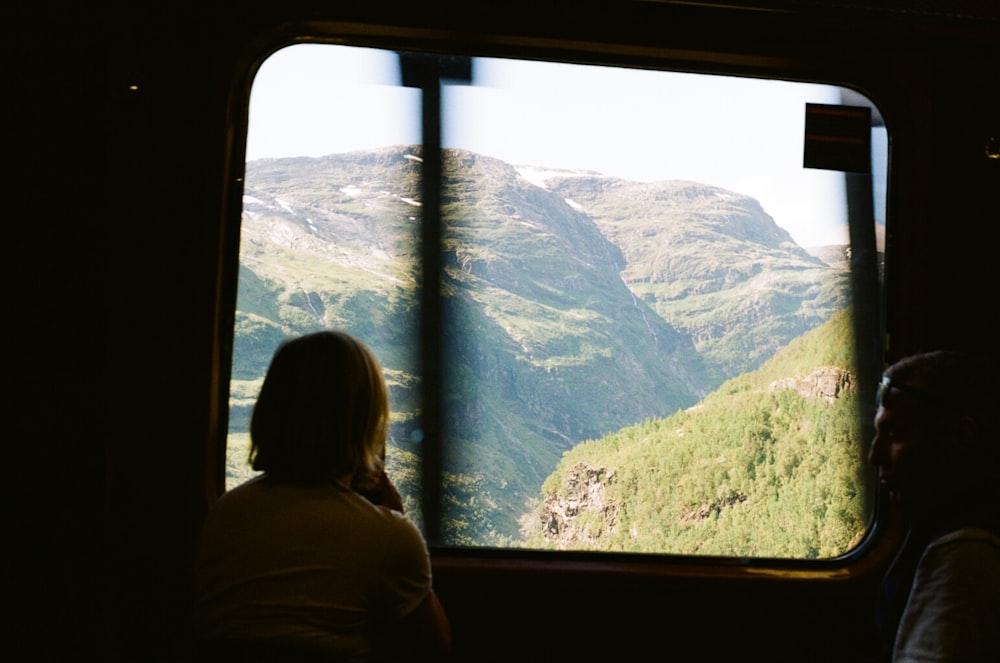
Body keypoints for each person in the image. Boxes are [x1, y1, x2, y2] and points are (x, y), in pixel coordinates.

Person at [192, 331, 451, 662]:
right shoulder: (386, 536)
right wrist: (394, 517)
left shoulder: (223, 516)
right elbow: (435, 648)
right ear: (365, 423)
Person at [868, 350, 1000, 662]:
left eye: (895, 434)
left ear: (960, 438)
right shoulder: (945, 526)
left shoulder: (968, 554)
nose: (875, 455)